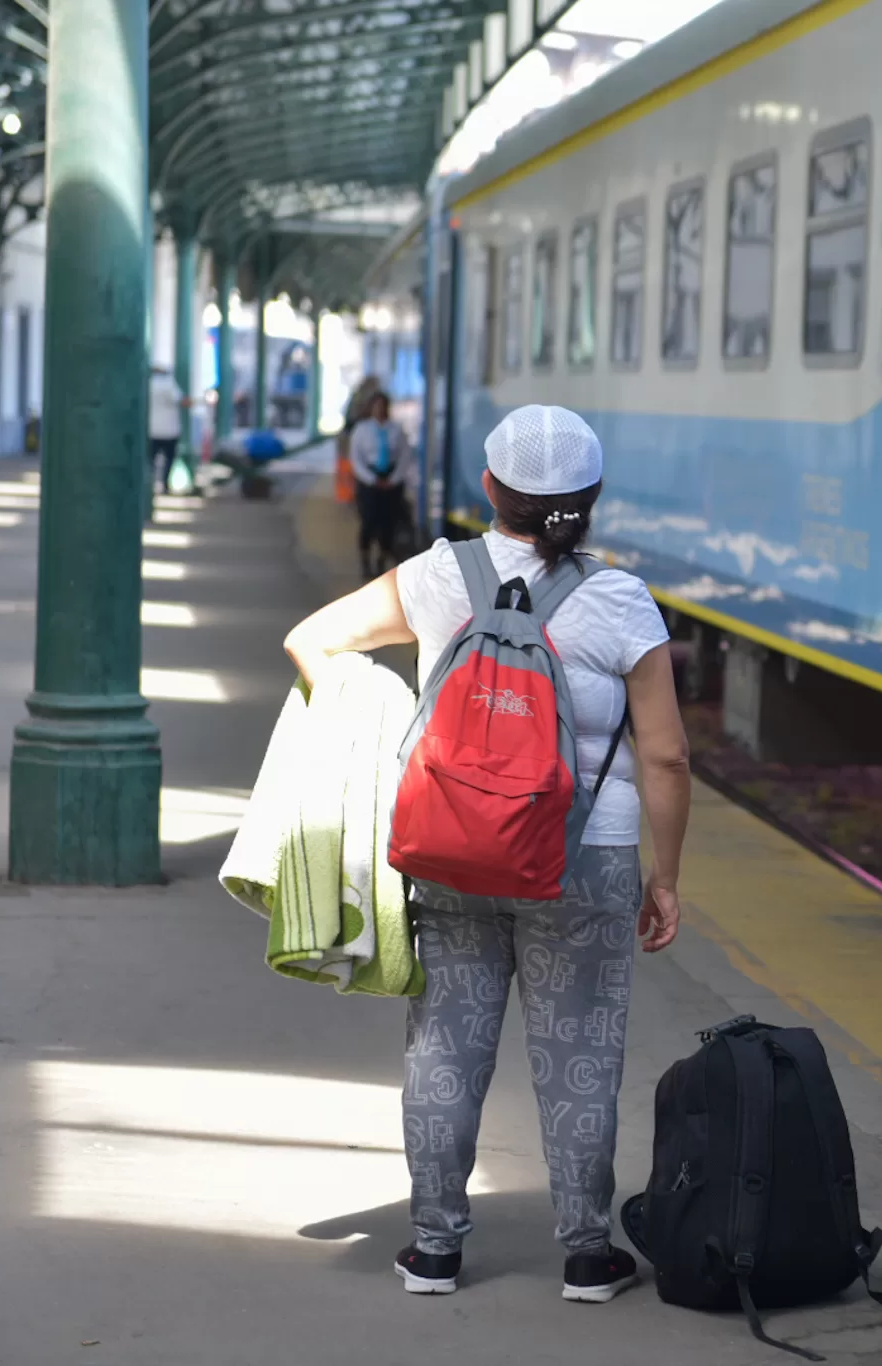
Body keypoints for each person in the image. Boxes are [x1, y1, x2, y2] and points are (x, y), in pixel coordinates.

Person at [281, 404, 689, 1305]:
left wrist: (381, 730)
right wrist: (666, 876)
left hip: (451, 852)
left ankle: (434, 1249)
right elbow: (665, 755)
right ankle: (588, 1254)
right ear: (589, 500)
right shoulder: (620, 601)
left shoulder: (438, 575)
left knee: (445, 1047)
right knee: (579, 1046)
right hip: (586, 860)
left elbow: (309, 641)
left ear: (490, 491)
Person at [347, 392, 413, 576]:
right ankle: (365, 561)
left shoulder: (396, 430)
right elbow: (356, 458)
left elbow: (405, 456)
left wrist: (393, 479)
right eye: (376, 405)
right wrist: (371, 479)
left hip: (391, 479)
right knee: (368, 521)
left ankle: (381, 562)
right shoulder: (361, 430)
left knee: (388, 523)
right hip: (369, 480)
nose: (379, 409)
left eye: (383, 405)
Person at [148, 365, 185, 493]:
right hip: (169, 430)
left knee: (150, 461)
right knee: (169, 460)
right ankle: (164, 485)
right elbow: (181, 400)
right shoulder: (169, 384)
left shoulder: (148, 384)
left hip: (152, 430)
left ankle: (149, 484)